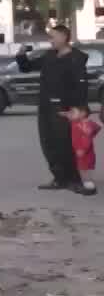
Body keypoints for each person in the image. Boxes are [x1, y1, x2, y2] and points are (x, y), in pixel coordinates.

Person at [37, 24, 91, 193]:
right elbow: (26, 66)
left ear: (63, 36)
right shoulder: (49, 56)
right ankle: (59, 178)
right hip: (46, 106)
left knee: (66, 146)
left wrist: (79, 108)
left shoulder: (76, 58)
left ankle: (74, 180)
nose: (50, 40)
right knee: (48, 145)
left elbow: (82, 86)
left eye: (52, 36)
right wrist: (21, 54)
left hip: (64, 108)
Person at [69, 104, 101, 194]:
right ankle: (87, 186)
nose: (71, 114)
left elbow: (87, 138)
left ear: (82, 113)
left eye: (73, 112)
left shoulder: (85, 125)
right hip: (81, 152)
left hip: (85, 153)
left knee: (85, 171)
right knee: (82, 169)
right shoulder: (76, 122)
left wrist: (83, 149)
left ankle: (90, 189)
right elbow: (98, 127)